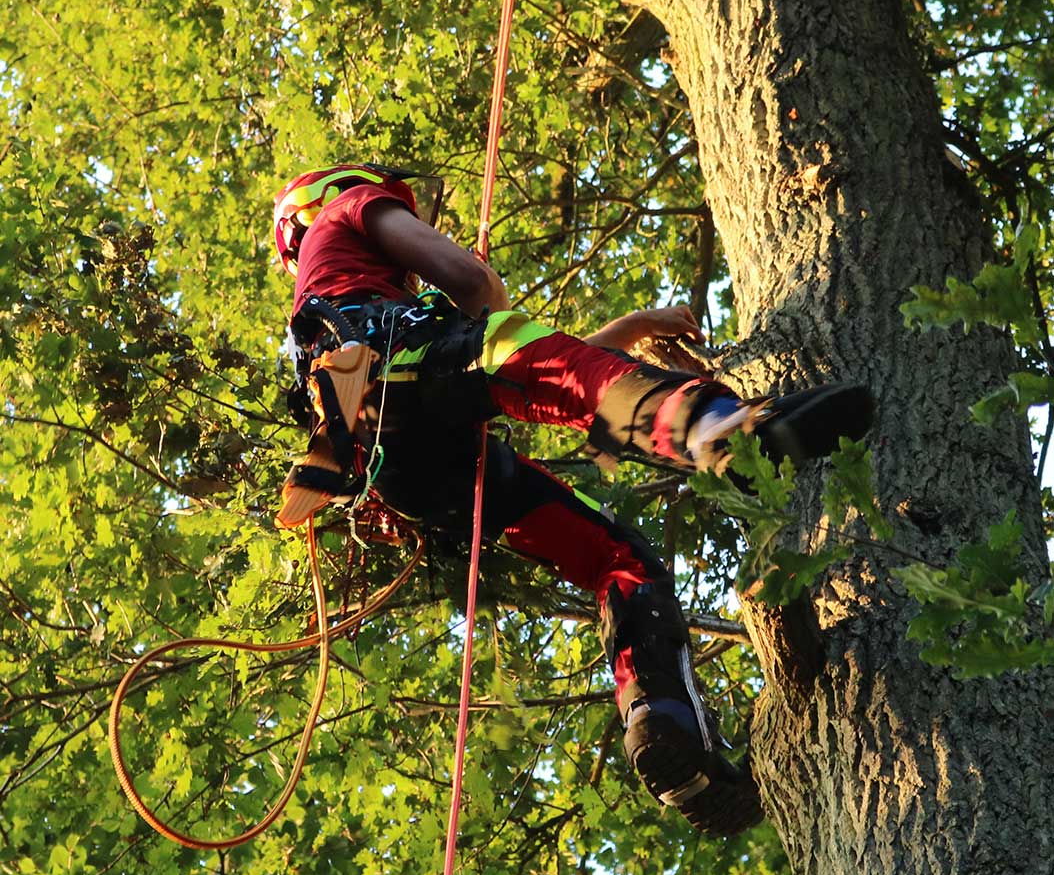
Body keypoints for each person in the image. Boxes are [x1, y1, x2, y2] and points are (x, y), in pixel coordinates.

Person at [273, 163, 873, 836]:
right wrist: (485, 308)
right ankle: (713, 429)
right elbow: (472, 286)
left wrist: (632, 326)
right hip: (394, 357)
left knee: (616, 557)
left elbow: (552, 373)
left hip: (406, 459)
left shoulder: (323, 283)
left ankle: (670, 738)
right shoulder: (348, 208)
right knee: (511, 359)